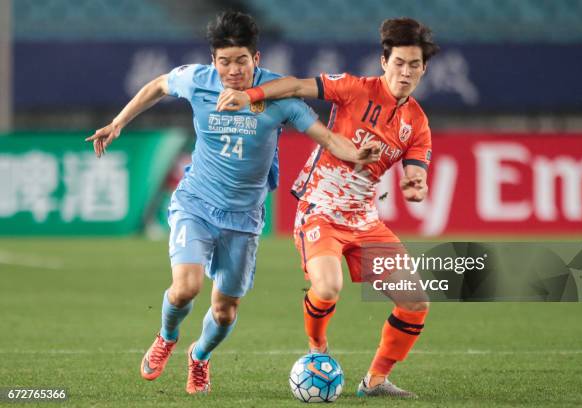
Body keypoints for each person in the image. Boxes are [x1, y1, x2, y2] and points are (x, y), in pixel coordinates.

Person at [86, 11, 380, 395]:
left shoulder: (278, 94)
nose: (233, 70)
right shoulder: (198, 80)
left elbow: (325, 137)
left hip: (243, 218)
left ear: (256, 59)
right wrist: (119, 122)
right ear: (213, 60)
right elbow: (159, 85)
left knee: (225, 311)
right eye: (224, 61)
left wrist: (357, 154)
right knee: (185, 288)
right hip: (196, 202)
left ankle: (200, 357)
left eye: (241, 60)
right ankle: (166, 337)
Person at [216, 17, 439, 398]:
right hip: (319, 207)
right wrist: (252, 96)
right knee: (328, 285)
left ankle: (376, 381)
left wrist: (416, 185)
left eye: (413, 65)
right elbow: (296, 86)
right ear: (384, 61)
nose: (405, 72)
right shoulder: (354, 88)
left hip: (365, 220)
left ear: (423, 69)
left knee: (416, 302)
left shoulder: (417, 122)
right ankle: (317, 349)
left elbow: (416, 171)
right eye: (399, 62)